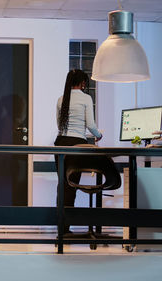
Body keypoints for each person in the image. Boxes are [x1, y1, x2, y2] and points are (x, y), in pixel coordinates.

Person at [55, 69, 102, 234]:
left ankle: (62, 228)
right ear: (82, 83)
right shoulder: (86, 98)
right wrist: (99, 135)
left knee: (62, 185)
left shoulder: (62, 99)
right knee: (71, 186)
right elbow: (91, 125)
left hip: (60, 143)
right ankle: (66, 229)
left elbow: (59, 125)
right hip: (77, 145)